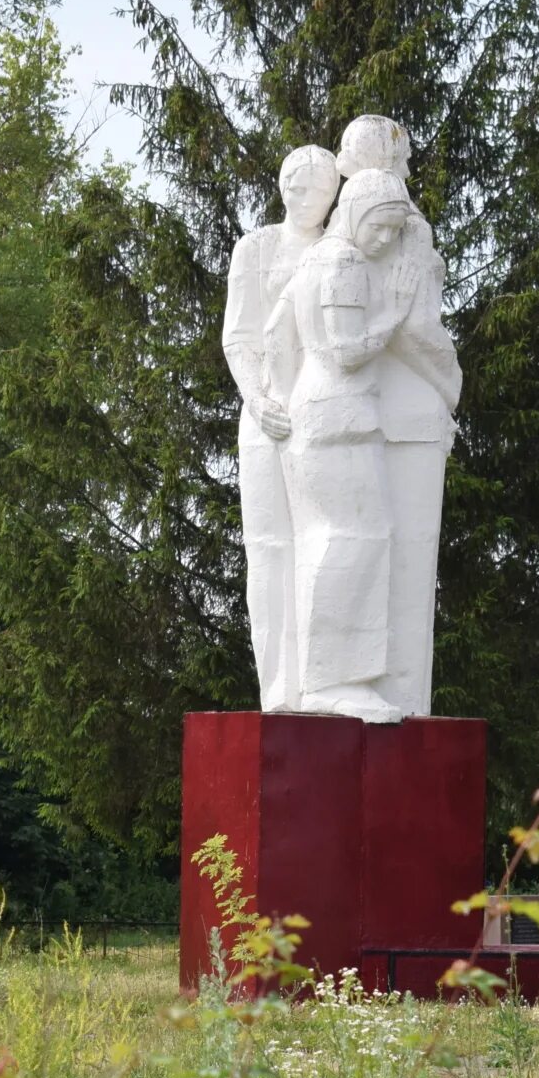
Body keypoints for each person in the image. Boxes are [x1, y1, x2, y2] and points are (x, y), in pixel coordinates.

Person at [274, 167, 417, 722]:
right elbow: (347, 351)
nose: (382, 241)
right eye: (378, 227)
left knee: (342, 538)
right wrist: (396, 313)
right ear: (354, 213)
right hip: (338, 418)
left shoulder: (313, 259)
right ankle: (333, 682)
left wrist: (282, 400)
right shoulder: (343, 261)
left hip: (319, 417)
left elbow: (275, 337)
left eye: (392, 233)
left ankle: (331, 679)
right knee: (355, 538)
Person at [335, 115, 459, 717]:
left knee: (379, 555)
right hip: (402, 413)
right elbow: (416, 327)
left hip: (372, 414)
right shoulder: (403, 228)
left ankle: (389, 699)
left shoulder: (343, 235)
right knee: (401, 561)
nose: (408, 170)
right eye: (403, 157)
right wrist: (452, 383)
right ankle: (392, 698)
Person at [222, 144, 339, 711]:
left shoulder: (338, 252)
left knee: (322, 544)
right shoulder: (257, 248)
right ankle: (278, 691)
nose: (309, 200)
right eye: (300, 188)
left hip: (321, 416)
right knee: (269, 548)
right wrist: (256, 397)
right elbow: (239, 336)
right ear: (283, 187)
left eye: (322, 192)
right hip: (265, 417)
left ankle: (322, 683)